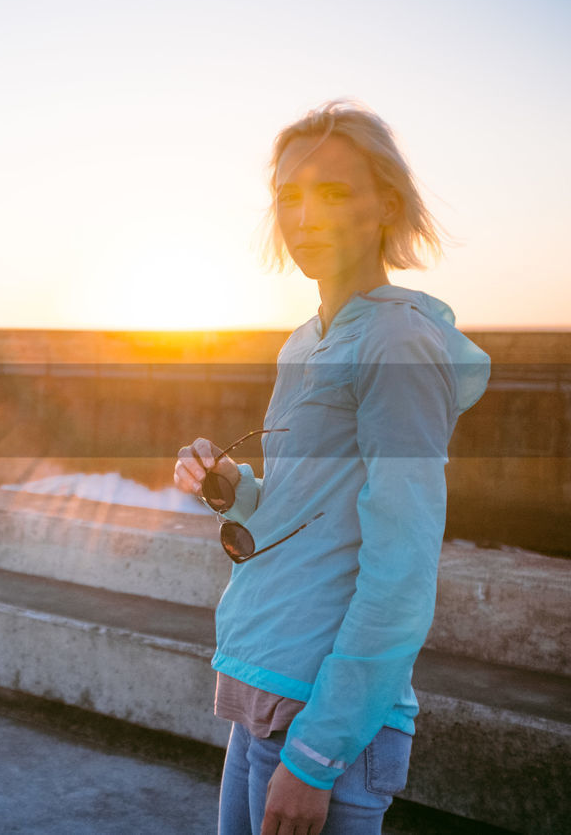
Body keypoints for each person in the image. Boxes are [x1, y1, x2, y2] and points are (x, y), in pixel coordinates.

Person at [173, 99, 491, 835]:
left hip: (323, 728)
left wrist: (316, 756)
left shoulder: (398, 344)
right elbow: (298, 509)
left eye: (333, 191)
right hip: (263, 698)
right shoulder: (305, 341)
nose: (304, 215)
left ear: (386, 204)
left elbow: (403, 569)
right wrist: (230, 488)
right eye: (289, 196)